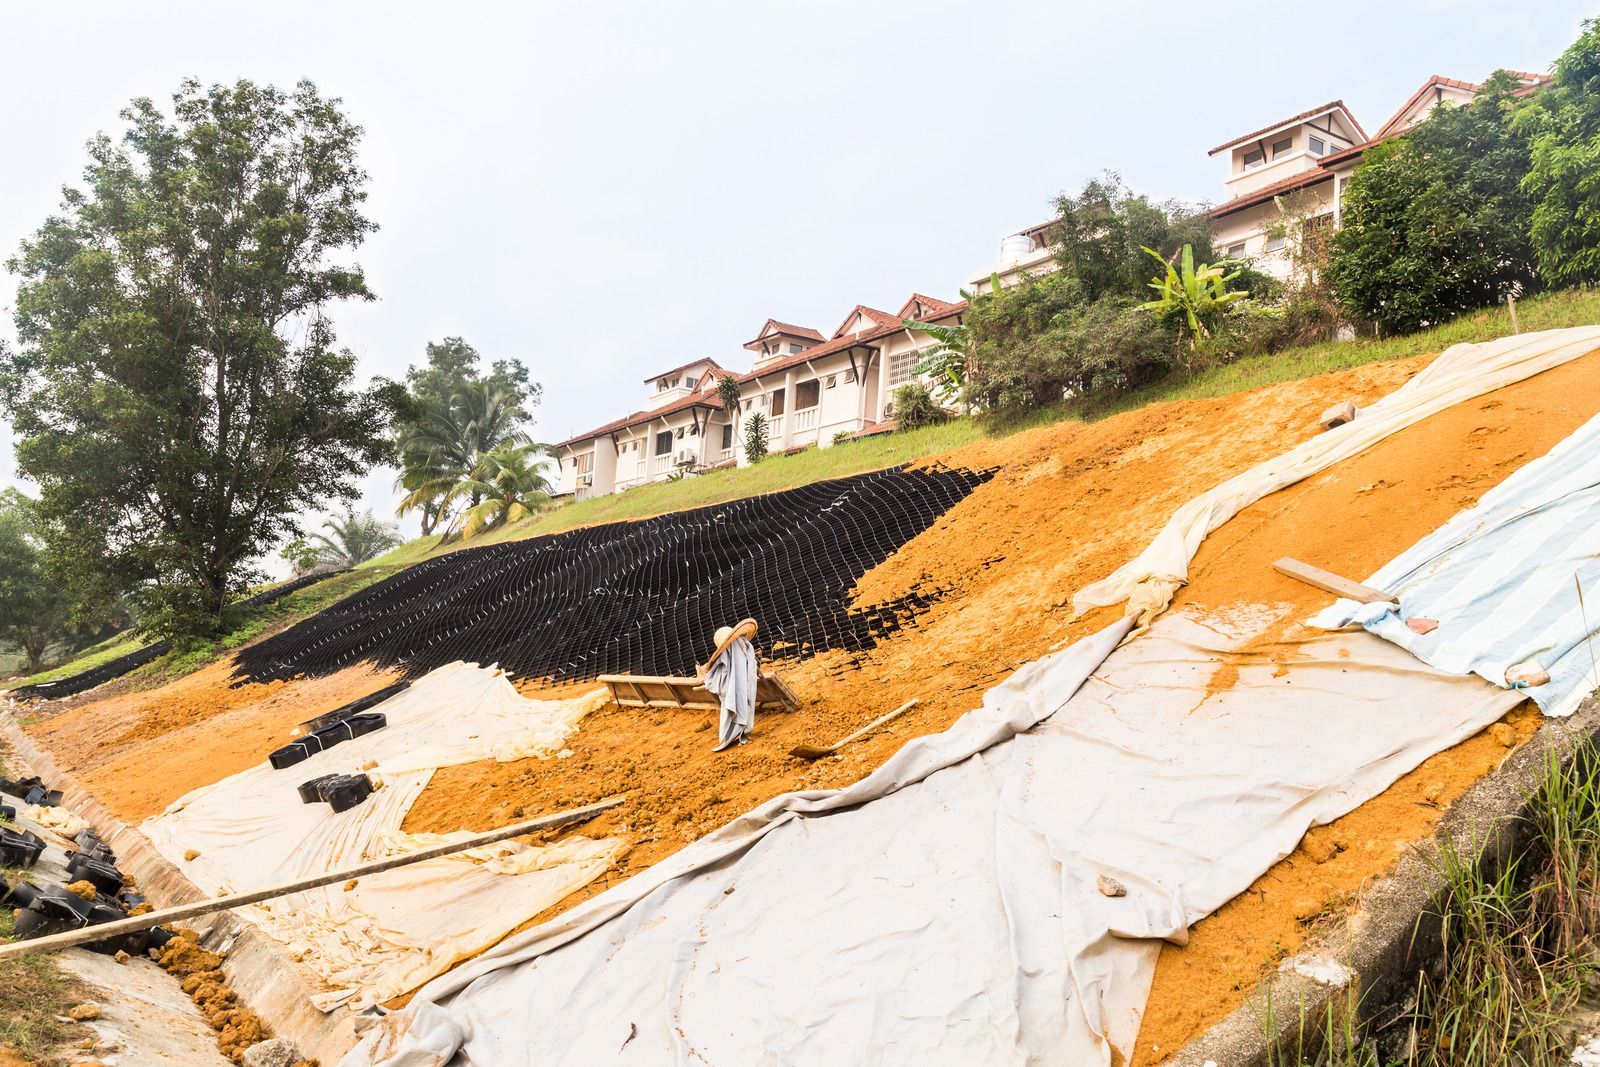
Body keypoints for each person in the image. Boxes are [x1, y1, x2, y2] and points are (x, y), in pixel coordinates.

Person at [701, 618, 758, 752]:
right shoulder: (746, 648)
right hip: (745, 682)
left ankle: (732, 730)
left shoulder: (732, 652)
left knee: (731, 695)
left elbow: (713, 681)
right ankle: (737, 728)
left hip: (737, 686)